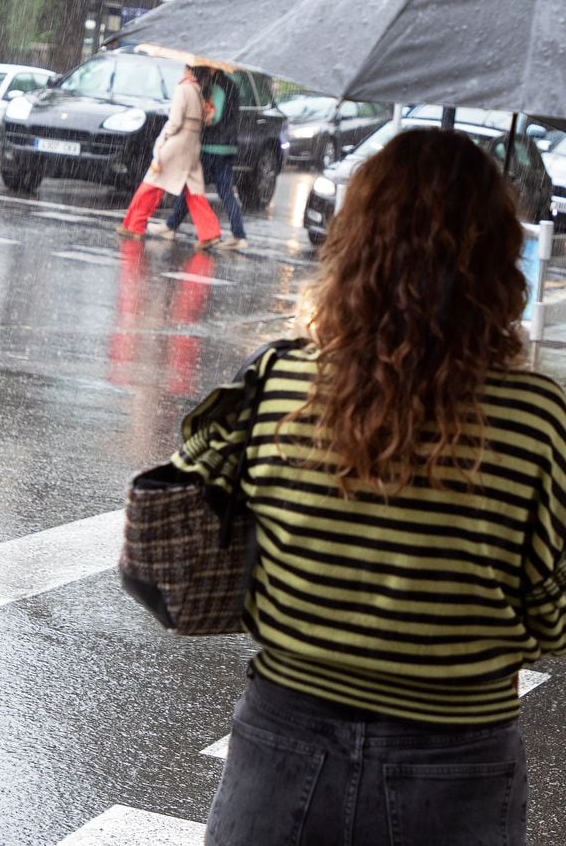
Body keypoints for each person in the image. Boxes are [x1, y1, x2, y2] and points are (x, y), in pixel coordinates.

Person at [192, 128, 566, 845]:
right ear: (496, 259)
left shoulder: (282, 382)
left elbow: (214, 523)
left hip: (282, 743)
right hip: (457, 760)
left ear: (356, 244)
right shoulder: (534, 416)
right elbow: (553, 617)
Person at [117, 64, 222, 249]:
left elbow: (175, 121)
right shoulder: (200, 91)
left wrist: (162, 139)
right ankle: (210, 232)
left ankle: (134, 225)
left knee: (152, 183)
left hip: (178, 142)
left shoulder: (183, 88)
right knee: (194, 191)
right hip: (192, 142)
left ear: (189, 70)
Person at [159, 68, 247, 250]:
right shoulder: (230, 84)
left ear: (213, 67)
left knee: (192, 186)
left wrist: (200, 115)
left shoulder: (218, 86)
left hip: (212, 147)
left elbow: (214, 117)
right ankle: (239, 235)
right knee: (223, 191)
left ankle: (172, 226)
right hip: (227, 146)